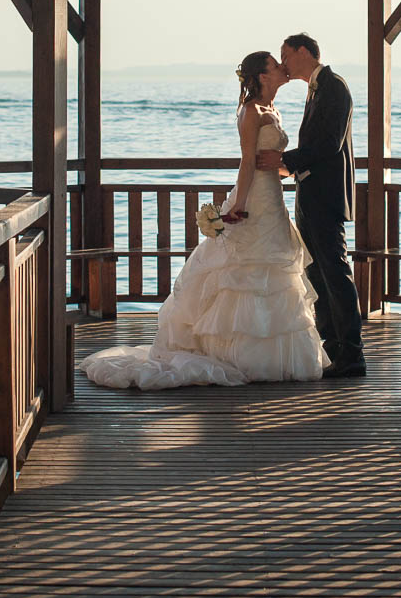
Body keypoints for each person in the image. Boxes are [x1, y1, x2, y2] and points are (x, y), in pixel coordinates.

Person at [79, 51, 327, 390]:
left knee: (276, 274)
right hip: (254, 198)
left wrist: (285, 169)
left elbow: (271, 162)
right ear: (262, 76)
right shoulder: (251, 112)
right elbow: (246, 164)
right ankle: (235, 354)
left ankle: (272, 357)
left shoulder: (274, 110)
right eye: (276, 63)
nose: (283, 67)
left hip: (274, 198)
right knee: (241, 274)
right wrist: (236, 206)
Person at [257, 33, 365, 378]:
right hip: (310, 192)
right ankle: (331, 348)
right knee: (318, 273)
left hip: (327, 197)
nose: (283, 63)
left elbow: (328, 145)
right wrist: (289, 166)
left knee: (335, 273)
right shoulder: (316, 88)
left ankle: (352, 355)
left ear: (304, 52)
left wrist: (282, 159)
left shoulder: (334, 87)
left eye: (285, 55)